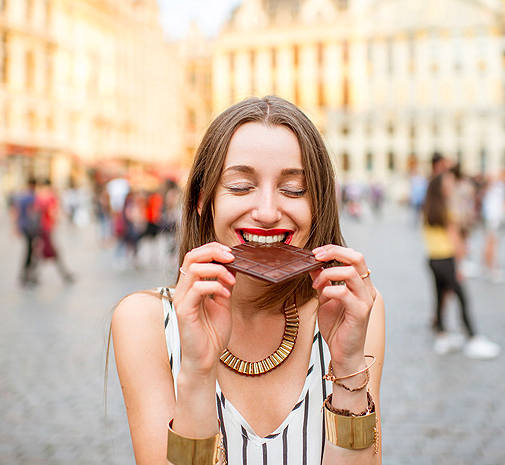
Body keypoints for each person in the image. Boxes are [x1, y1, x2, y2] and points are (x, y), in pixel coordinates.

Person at [110, 96, 386, 464]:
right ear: (202, 200)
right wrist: (196, 374)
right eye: (240, 187)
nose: (268, 212)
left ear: (319, 203)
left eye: (294, 189)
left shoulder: (355, 310)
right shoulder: (144, 323)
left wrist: (349, 368)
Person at [421, 172, 500, 360]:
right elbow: (455, 239)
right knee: (462, 297)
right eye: (448, 185)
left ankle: (442, 335)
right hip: (447, 259)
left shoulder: (427, 209)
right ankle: (472, 337)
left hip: (433, 259)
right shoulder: (447, 210)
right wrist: (460, 263)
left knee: (440, 296)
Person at [34, 179, 74, 283]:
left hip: (41, 228)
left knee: (44, 252)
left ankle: (33, 275)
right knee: (51, 252)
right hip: (47, 228)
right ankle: (65, 274)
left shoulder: (38, 197)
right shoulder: (51, 197)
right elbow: (53, 212)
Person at [15, 179, 40, 285]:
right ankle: (28, 274)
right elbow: (34, 212)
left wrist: (17, 226)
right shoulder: (33, 197)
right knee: (33, 252)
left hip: (24, 227)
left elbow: (17, 212)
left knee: (29, 251)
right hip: (32, 228)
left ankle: (25, 274)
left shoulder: (23, 197)